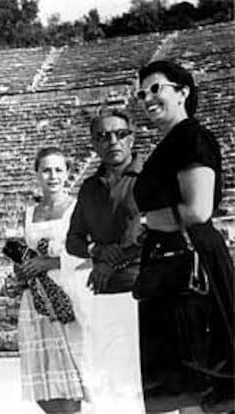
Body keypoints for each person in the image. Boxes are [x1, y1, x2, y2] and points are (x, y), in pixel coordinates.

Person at [133, 60, 235, 413]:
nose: (146, 98)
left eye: (156, 88)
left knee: (203, 384)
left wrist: (144, 221)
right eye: (141, 93)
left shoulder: (192, 137)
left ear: (183, 92)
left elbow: (197, 210)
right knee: (181, 389)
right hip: (168, 269)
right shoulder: (169, 144)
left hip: (191, 269)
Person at [66, 107, 145, 414]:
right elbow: (74, 240)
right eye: (103, 136)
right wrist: (97, 252)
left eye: (120, 134)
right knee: (111, 382)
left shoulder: (150, 178)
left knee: (145, 379)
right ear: (94, 144)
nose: (112, 141)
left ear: (132, 137)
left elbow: (156, 230)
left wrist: (113, 260)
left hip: (143, 289)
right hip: (104, 293)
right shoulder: (88, 187)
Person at [13, 147, 90, 414]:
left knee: (71, 380)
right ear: (37, 174)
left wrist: (53, 262)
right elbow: (23, 252)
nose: (53, 176)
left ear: (68, 173)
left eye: (58, 170)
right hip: (35, 300)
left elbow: (93, 256)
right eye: (46, 170)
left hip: (68, 295)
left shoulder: (78, 209)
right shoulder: (29, 213)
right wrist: (21, 270)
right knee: (43, 382)